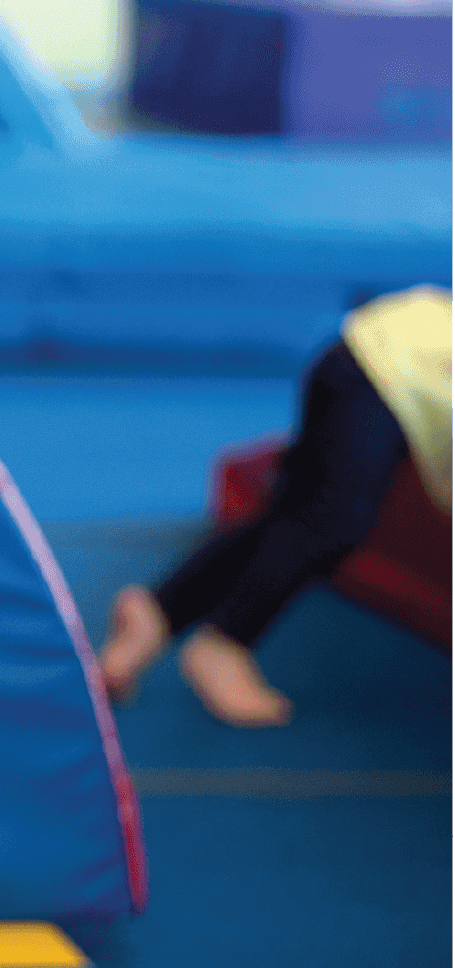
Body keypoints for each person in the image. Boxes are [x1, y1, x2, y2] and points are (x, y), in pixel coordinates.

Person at [98, 285, 453, 727]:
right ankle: (225, 641)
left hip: (363, 355)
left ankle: (155, 613)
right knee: (336, 520)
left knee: (295, 516)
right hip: (387, 370)